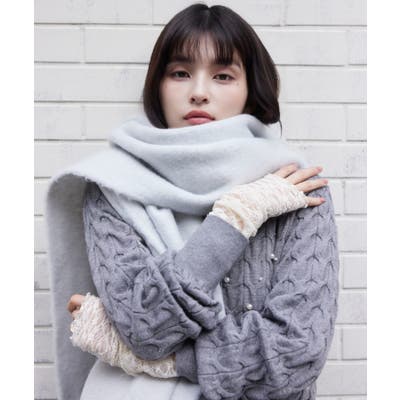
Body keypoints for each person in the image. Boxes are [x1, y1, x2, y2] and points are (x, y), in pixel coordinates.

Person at [46, 3, 338, 400]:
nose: (199, 92)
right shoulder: (111, 186)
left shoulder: (297, 189)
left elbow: (295, 357)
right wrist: (237, 217)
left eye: (223, 76)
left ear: (251, 88)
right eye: (180, 73)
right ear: (158, 84)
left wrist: (167, 363)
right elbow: (145, 329)